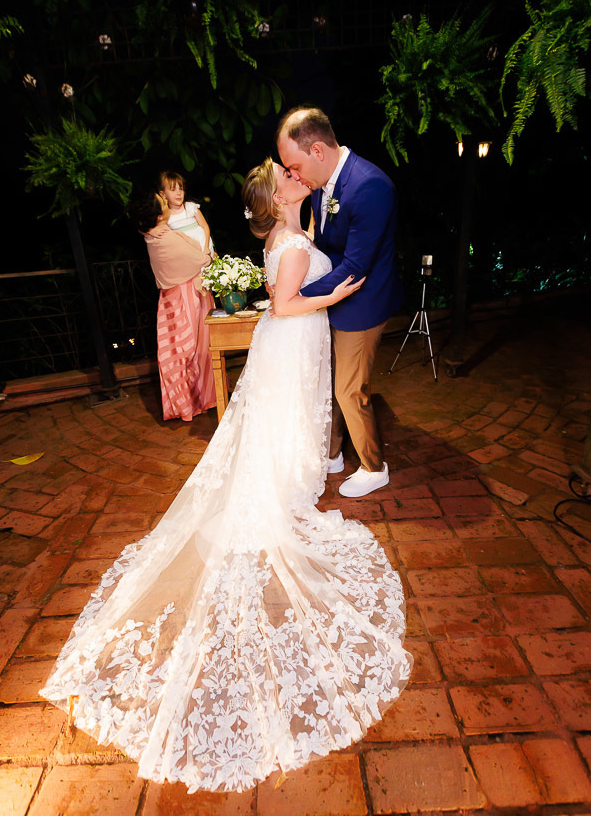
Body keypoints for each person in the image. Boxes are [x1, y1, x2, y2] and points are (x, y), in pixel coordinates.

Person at [39, 159, 411, 794]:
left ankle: (289, 478)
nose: (298, 180)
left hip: (289, 342)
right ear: (277, 198)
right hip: (295, 336)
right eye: (289, 179)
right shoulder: (292, 243)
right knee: (284, 420)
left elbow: (280, 295)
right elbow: (291, 303)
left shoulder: (288, 235)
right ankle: (281, 491)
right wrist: (337, 295)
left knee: (283, 420)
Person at [277, 107, 403, 498]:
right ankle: (332, 453)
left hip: (361, 303)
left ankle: (372, 465)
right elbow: (325, 244)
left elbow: (354, 266)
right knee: (327, 381)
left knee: (349, 388)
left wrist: (295, 297)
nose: (293, 176)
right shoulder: (322, 183)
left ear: (317, 150)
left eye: (294, 166)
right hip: (334, 298)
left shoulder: (370, 186)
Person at [135, 191, 216, 421]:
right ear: (160, 215)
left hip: (170, 298)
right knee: (194, 349)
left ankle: (192, 400)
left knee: (177, 350)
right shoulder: (166, 238)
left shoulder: (152, 234)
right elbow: (201, 260)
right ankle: (198, 399)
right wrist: (208, 255)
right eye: (163, 202)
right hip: (187, 295)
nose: (166, 200)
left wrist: (147, 228)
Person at [159, 170, 215, 257]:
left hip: (203, 246)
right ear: (163, 194)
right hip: (185, 252)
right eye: (173, 190)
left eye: (181, 189)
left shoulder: (190, 208)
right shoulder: (165, 216)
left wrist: (207, 247)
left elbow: (205, 226)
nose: (178, 193)